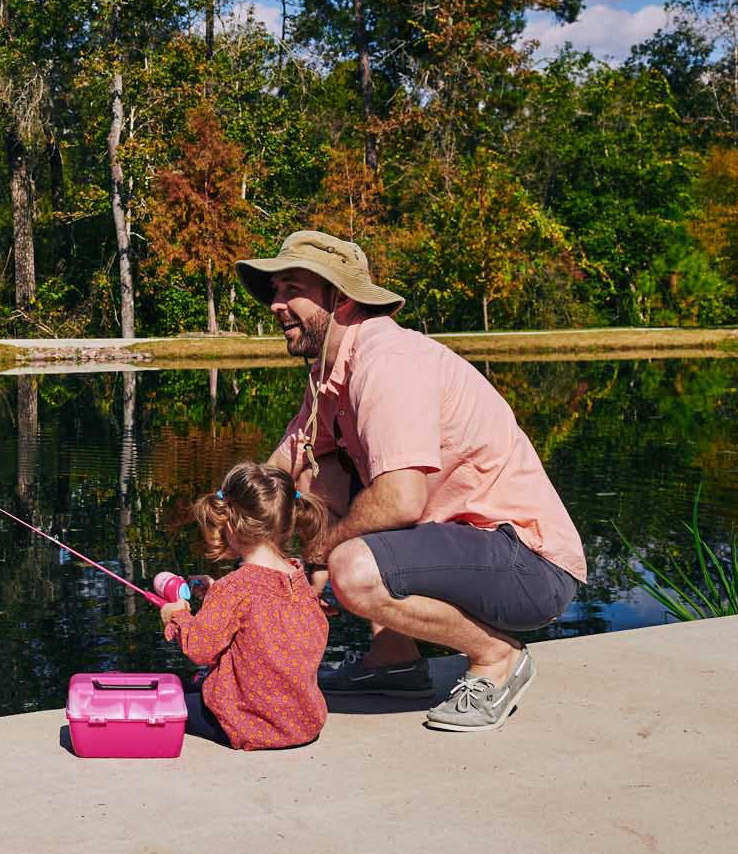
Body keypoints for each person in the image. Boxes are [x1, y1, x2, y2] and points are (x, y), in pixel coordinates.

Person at [235, 230, 586, 734]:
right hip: (465, 548)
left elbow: (402, 500)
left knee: (351, 566)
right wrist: (237, 534)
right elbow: (283, 467)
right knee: (322, 478)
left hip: (529, 564)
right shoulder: (328, 375)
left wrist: (318, 556)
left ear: (341, 298)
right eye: (274, 291)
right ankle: (393, 660)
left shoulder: (387, 361)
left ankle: (497, 657)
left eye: (292, 288)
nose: (276, 304)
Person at [159, 460, 331, 750]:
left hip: (247, 724)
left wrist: (176, 615)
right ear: (288, 522)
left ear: (230, 523)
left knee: (168, 698)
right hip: (303, 723)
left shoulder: (235, 589)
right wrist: (215, 592)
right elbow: (267, 614)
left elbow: (199, 648)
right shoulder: (299, 580)